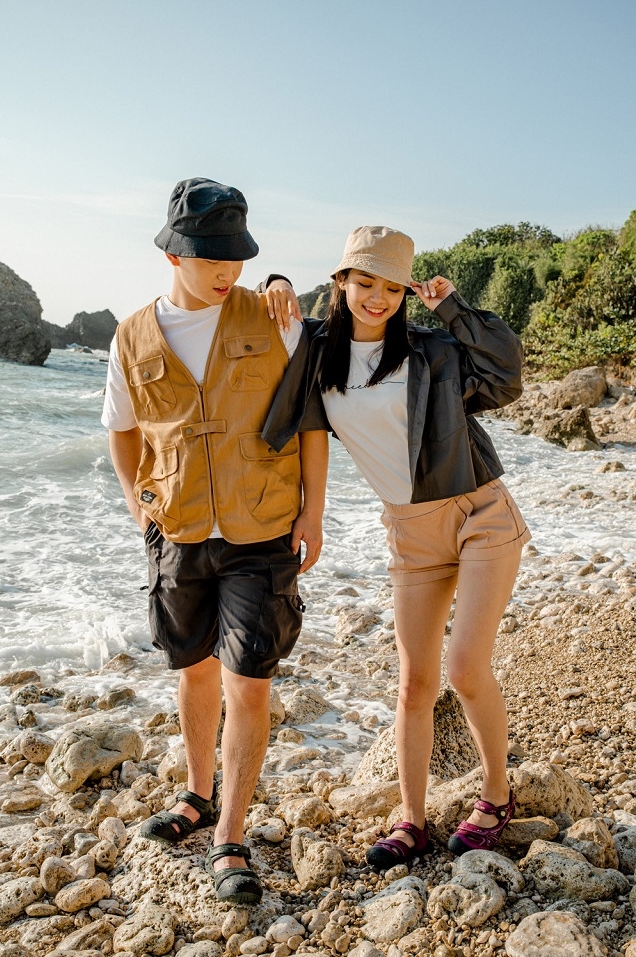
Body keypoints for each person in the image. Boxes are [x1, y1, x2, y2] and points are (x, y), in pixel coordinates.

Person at [263, 225, 530, 866]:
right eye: (365, 283)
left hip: (480, 514)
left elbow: (506, 370)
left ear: (404, 293)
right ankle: (411, 820)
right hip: (410, 532)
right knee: (414, 684)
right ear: (342, 282)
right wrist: (274, 280)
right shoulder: (317, 349)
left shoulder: (430, 349)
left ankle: (497, 793)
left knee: (464, 668)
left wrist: (452, 307)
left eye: (390, 287)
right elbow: (306, 427)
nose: (377, 298)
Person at [101, 177, 328, 904]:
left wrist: (314, 510)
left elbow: (311, 420)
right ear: (175, 255)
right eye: (212, 257)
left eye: (237, 255)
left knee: (248, 681)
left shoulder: (275, 317)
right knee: (193, 669)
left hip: (263, 528)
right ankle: (196, 797)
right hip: (179, 529)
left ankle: (231, 834)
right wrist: (138, 505)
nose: (228, 269)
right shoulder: (132, 335)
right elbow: (122, 430)